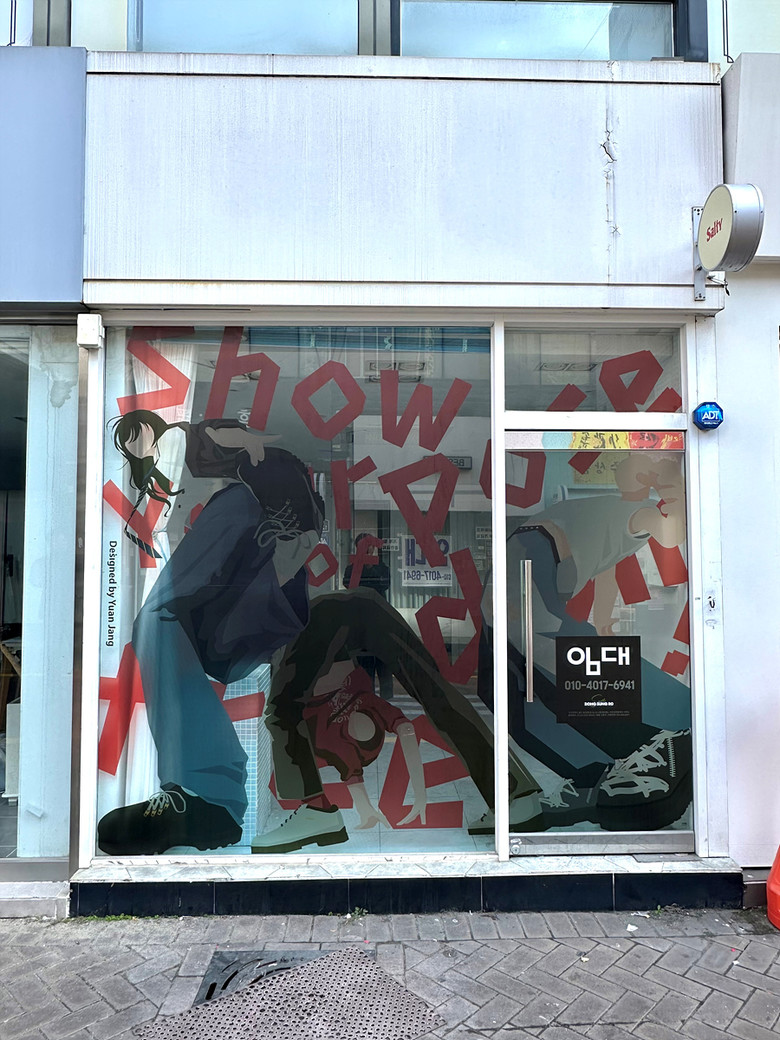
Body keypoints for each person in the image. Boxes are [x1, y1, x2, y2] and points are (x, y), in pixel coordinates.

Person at [97, 409, 324, 856]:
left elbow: (239, 450)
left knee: (153, 623)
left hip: (251, 579)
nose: (141, 457)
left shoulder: (226, 483)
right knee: (156, 624)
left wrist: (290, 546)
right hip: (237, 608)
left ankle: (206, 794)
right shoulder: (204, 485)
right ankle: (206, 793)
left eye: (142, 445)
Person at [479, 452, 692, 831]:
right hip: (530, 559)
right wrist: (677, 489)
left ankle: (599, 773)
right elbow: (670, 532)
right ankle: (663, 735)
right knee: (554, 666)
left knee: (514, 685)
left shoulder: (614, 513)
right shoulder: (636, 511)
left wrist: (603, 620)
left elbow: (604, 571)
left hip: (524, 562)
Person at [252, 588, 543, 853]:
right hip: (362, 605)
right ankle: (515, 794)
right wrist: (418, 794)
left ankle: (316, 811)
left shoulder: (335, 727)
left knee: (282, 709)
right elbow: (397, 730)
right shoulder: (345, 717)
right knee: (434, 693)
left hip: (343, 611)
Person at [342, 533, 394, 699]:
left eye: (369, 545)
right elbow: (348, 585)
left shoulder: (382, 567)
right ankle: (368, 696)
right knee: (365, 663)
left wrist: (371, 567)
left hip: (379, 620)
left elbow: (384, 584)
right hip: (360, 621)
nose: (367, 549)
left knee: (383, 661)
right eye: (363, 546)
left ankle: (387, 697)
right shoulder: (351, 568)